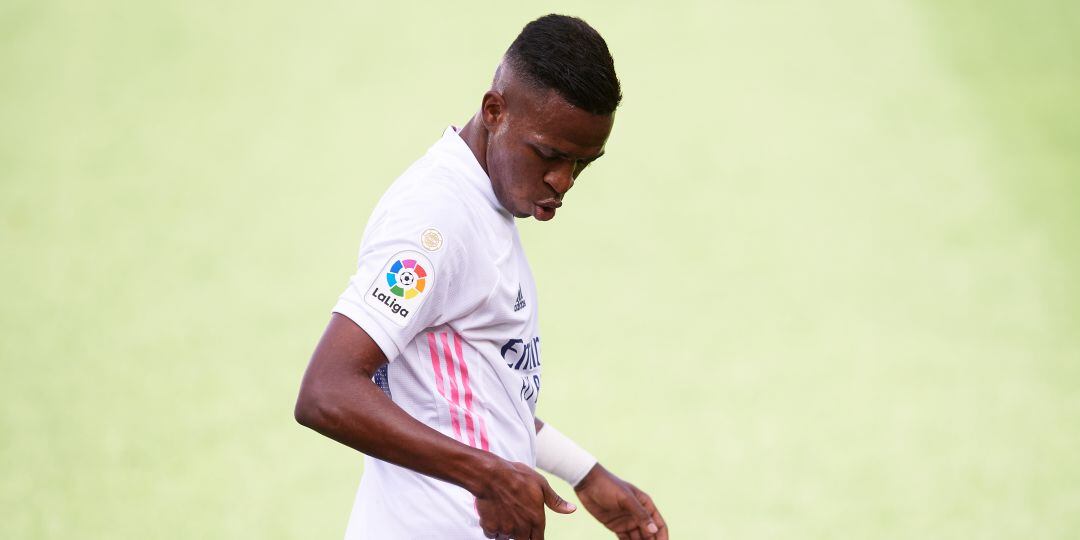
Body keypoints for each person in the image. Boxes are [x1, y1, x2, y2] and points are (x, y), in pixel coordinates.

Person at [295, 14, 667, 540]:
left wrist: (586, 473)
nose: (563, 181)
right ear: (495, 110)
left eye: (583, 163)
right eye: (549, 154)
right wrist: (488, 476)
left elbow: (482, 398)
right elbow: (326, 391)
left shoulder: (483, 203)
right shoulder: (436, 221)